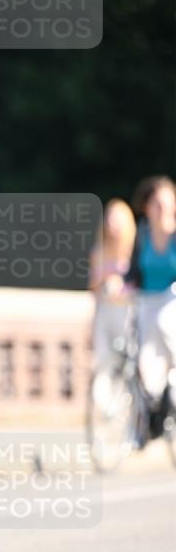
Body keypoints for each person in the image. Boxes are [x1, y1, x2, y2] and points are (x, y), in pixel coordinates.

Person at [127, 176, 176, 422]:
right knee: (146, 363)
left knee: (166, 324)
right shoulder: (143, 234)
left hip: (172, 301)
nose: (162, 209)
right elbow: (133, 272)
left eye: (167, 203)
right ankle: (153, 411)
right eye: (157, 203)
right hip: (147, 302)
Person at [88, 198, 135, 380]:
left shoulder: (133, 250)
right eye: (110, 218)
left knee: (126, 360)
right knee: (103, 360)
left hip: (126, 311)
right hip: (104, 311)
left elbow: (138, 284)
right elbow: (91, 285)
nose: (112, 224)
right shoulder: (98, 251)